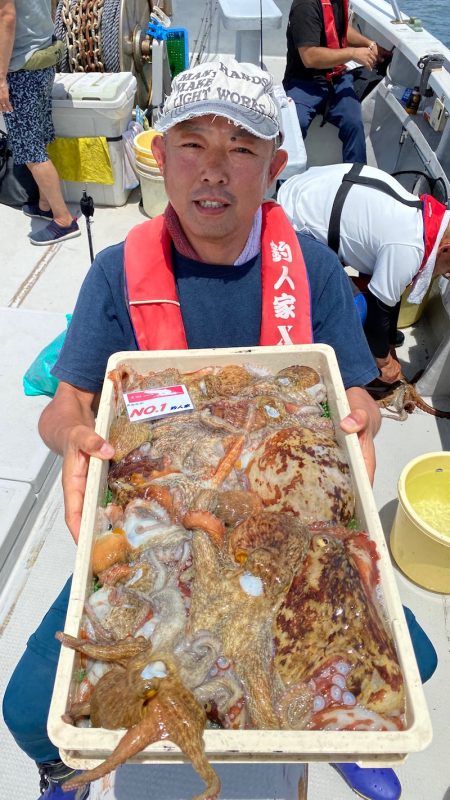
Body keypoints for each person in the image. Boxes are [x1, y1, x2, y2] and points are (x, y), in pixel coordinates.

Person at [2, 59, 435, 800]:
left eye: (241, 149)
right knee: (27, 708)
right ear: (159, 156)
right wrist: (71, 436)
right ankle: (66, 763)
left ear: (274, 164)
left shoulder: (315, 269)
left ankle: (333, 730)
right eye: (192, 144)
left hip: (286, 518)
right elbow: (66, 403)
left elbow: (350, 393)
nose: (214, 171)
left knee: (409, 663)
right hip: (156, 522)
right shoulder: (116, 275)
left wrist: (359, 417)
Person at [278, 163, 450, 384]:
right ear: (446, 249)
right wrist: (384, 362)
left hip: (302, 191)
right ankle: (338, 369)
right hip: (291, 224)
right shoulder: (410, 248)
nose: (446, 275)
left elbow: (391, 292)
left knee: (377, 294)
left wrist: (387, 342)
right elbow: (379, 310)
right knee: (357, 309)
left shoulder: (421, 216)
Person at [0, 0, 80, 244]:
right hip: (43, 56)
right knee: (40, 136)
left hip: (21, 68)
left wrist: (1, 79)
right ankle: (45, 204)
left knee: (31, 150)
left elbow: (7, 16)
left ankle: (63, 219)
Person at [283, 0, 385, 163]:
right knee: (294, 126)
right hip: (303, 82)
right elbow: (309, 57)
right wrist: (352, 53)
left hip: (336, 78)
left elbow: (340, 30)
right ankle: (285, 184)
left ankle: (355, 180)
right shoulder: (305, 6)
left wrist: (370, 44)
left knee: (354, 123)